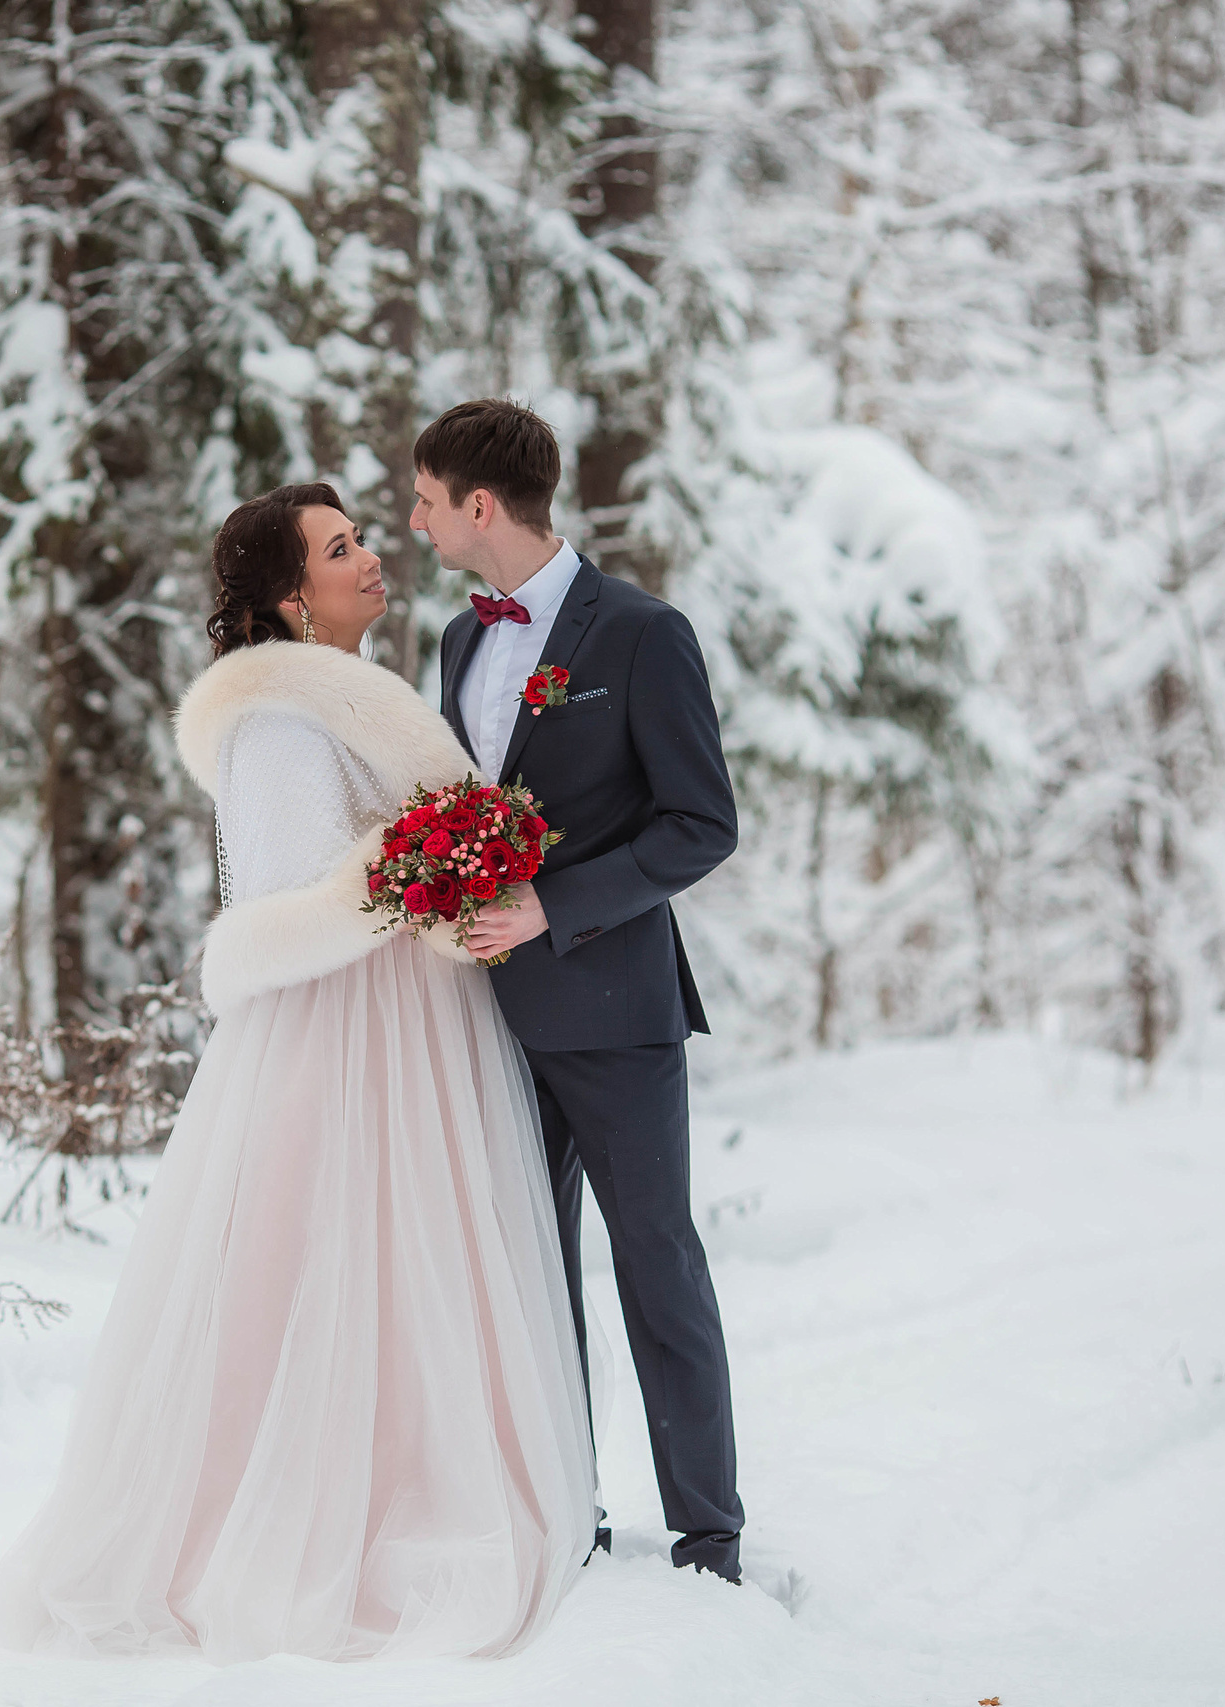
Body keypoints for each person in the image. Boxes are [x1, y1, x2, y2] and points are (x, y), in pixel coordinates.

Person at [0, 483, 595, 1662]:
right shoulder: (276, 720)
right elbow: (284, 905)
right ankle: (277, 1530)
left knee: (408, 1268)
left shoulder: (359, 702)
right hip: (335, 1030)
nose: (370, 557)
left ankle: (409, 1490)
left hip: (414, 1024)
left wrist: (444, 859)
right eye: (340, 547)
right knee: (312, 1265)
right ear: (287, 597)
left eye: (363, 537)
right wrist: (422, 859)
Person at [414, 398, 746, 1582]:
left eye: (424, 500)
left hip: (616, 1016)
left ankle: (709, 1535)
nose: (414, 522)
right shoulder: (457, 643)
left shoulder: (644, 635)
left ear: (479, 506)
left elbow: (702, 827)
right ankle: (569, 1513)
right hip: (489, 1020)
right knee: (531, 1271)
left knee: (655, 1262)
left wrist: (556, 904)